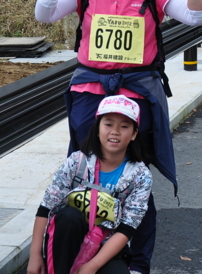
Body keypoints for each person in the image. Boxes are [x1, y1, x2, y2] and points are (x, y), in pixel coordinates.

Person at [35, 0, 202, 274]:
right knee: (85, 172)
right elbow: (44, 14)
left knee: (132, 177)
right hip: (89, 92)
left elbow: (196, 17)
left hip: (135, 92)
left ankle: (135, 264)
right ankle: (68, 255)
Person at [28, 95, 153, 274]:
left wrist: (91, 266)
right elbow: (46, 207)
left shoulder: (141, 176)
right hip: (65, 242)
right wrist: (35, 254)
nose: (115, 131)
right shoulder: (77, 162)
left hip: (105, 247)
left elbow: (127, 228)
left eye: (124, 126)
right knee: (69, 216)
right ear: (97, 129)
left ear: (134, 134)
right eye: (108, 124)